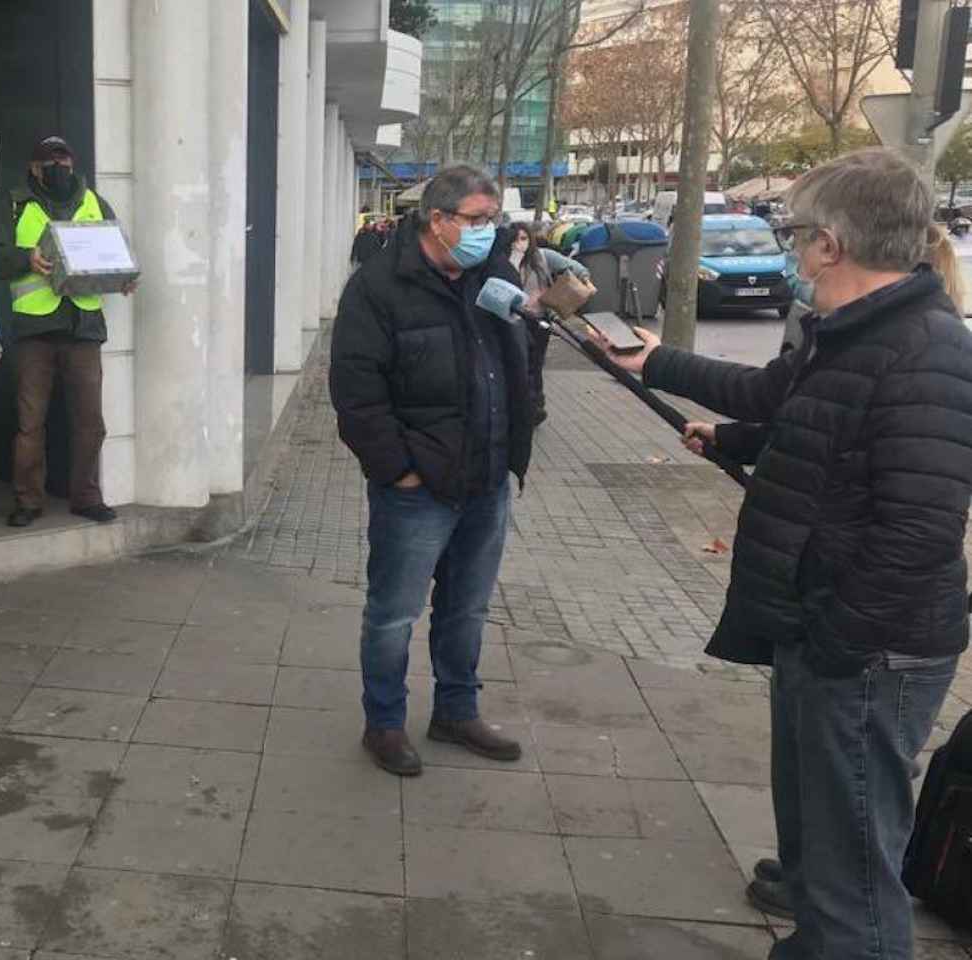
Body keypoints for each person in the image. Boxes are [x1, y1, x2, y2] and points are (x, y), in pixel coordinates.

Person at [604, 148, 972, 960]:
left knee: (854, 876)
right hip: (823, 632)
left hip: (869, 651)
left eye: (799, 232)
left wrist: (838, 642)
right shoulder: (844, 334)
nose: (794, 248)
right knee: (816, 846)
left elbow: (918, 530)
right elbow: (780, 404)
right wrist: (655, 361)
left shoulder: (926, 350)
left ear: (832, 243)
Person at [329, 166, 536, 777]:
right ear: (438, 220)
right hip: (417, 492)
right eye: (475, 220)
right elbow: (357, 394)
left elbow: (516, 358)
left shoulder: (492, 274)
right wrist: (399, 472)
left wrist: (521, 433)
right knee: (393, 613)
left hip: (487, 479)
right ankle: (385, 724)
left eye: (491, 220)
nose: (486, 232)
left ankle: (456, 711)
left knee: (466, 609)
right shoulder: (377, 288)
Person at [0, 136, 132, 527]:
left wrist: (125, 275)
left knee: (90, 422)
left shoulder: (94, 202)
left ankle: (85, 496)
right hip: (35, 330)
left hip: (83, 327)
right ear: (34, 167)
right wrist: (26, 259)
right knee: (31, 423)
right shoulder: (14, 204)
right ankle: (28, 501)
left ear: (73, 161)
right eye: (49, 161)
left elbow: (118, 248)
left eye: (63, 158)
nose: (58, 166)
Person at [505, 222, 591, 424]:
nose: (520, 244)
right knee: (520, 363)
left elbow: (576, 267)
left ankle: (536, 405)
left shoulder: (542, 257)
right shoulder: (505, 261)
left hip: (538, 320)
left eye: (524, 239)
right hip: (514, 320)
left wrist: (585, 280)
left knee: (535, 364)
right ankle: (523, 404)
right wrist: (514, 259)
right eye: (515, 239)